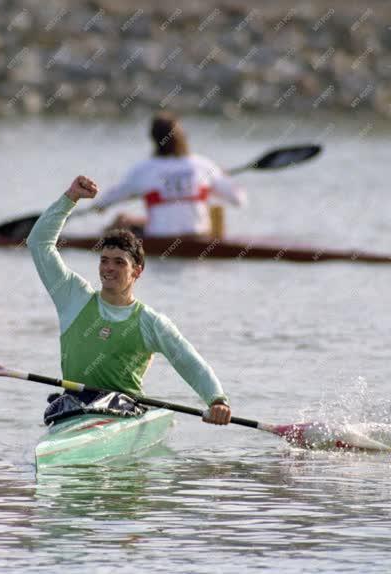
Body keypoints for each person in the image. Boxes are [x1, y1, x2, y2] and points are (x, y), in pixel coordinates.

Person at [27, 175, 231, 426]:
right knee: (66, 405)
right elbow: (38, 243)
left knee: (101, 407)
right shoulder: (73, 297)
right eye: (104, 260)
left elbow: (188, 361)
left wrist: (217, 400)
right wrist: (70, 198)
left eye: (119, 262)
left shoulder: (150, 322)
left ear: (137, 271)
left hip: (123, 412)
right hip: (73, 408)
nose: (108, 269)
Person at [92, 112, 245, 236]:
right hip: (199, 236)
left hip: (160, 237)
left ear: (154, 140)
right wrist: (223, 177)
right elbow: (239, 200)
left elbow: (108, 199)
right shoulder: (203, 165)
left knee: (121, 221)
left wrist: (99, 206)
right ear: (183, 137)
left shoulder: (143, 169)